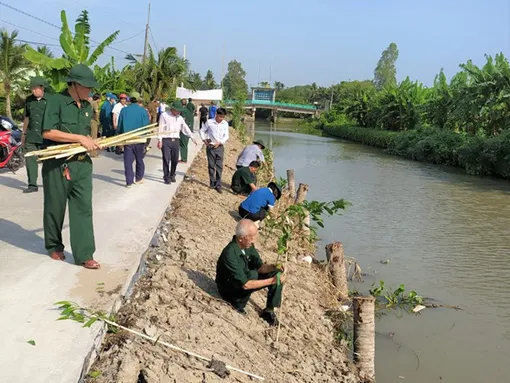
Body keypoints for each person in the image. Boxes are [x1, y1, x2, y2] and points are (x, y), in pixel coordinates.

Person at [41, 64, 101, 269]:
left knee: (84, 209)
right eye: (86, 87)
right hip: (58, 164)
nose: (90, 91)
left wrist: (92, 142)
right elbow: (48, 132)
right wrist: (78, 138)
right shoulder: (55, 101)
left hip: (82, 164)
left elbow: (86, 135)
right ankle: (54, 245)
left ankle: (85, 254)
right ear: (74, 84)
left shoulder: (86, 106)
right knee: (55, 207)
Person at [215, 219, 285, 325]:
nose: (254, 241)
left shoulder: (248, 246)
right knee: (254, 275)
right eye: (251, 238)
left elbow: (260, 267)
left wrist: (274, 267)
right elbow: (246, 285)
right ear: (241, 239)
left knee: (276, 274)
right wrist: (272, 281)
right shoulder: (229, 254)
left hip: (244, 278)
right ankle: (236, 303)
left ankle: (269, 310)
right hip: (229, 290)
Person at [157, 100, 197, 184]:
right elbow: (160, 128)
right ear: (172, 109)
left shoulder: (180, 118)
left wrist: (192, 137)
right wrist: (159, 140)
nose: (178, 112)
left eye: (179, 111)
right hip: (166, 140)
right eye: (177, 110)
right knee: (166, 159)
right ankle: (166, 177)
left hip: (176, 141)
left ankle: (172, 175)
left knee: (174, 160)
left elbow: (185, 128)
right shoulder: (164, 115)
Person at [22, 76, 48, 193]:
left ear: (42, 88)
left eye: (35, 88)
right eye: (32, 89)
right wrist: (24, 133)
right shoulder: (29, 100)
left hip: (46, 136)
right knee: (30, 160)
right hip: (31, 136)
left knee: (48, 162)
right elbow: (27, 117)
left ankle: (50, 183)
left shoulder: (50, 100)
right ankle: (32, 184)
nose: (33, 91)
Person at [118, 92, 150, 187]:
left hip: (128, 139)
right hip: (140, 139)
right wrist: (146, 137)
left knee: (128, 161)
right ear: (138, 100)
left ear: (129, 99)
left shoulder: (124, 110)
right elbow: (146, 126)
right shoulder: (143, 111)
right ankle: (139, 178)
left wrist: (119, 135)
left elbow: (120, 124)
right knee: (139, 159)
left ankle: (129, 182)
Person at [199, 107, 229, 193]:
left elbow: (226, 136)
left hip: (220, 147)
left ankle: (218, 185)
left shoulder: (225, 124)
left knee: (219, 167)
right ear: (216, 115)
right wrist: (204, 140)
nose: (221, 119)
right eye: (220, 116)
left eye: (223, 117)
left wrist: (219, 142)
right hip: (211, 146)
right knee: (211, 166)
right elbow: (202, 131)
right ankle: (212, 183)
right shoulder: (209, 122)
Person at [179, 98, 194, 163]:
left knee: (183, 144)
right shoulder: (188, 111)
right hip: (189, 129)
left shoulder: (183, 111)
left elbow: (182, 121)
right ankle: (183, 158)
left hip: (184, 130)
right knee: (184, 144)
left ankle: (184, 159)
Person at [88, 93, 101, 157]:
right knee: (94, 137)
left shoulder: (89, 102)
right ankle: (93, 153)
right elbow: (96, 112)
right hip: (93, 121)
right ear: (98, 99)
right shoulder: (95, 103)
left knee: (89, 136)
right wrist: (98, 121)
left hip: (88, 121)